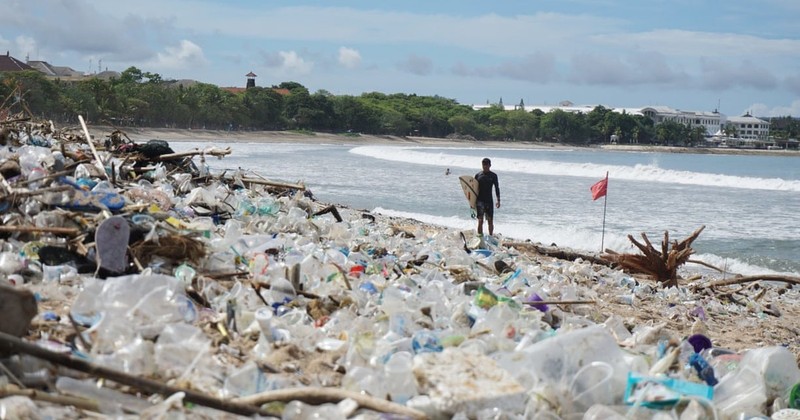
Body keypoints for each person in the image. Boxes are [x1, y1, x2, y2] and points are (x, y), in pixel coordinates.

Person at [475, 157, 500, 236]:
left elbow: (496, 188)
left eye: (486, 165)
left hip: (489, 201)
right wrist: (472, 202)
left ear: (490, 165)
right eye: (483, 165)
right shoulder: (478, 175)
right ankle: (480, 237)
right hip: (480, 201)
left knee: (490, 220)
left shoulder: (493, 176)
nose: (485, 166)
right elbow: (473, 189)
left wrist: (498, 200)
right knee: (480, 220)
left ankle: (490, 236)